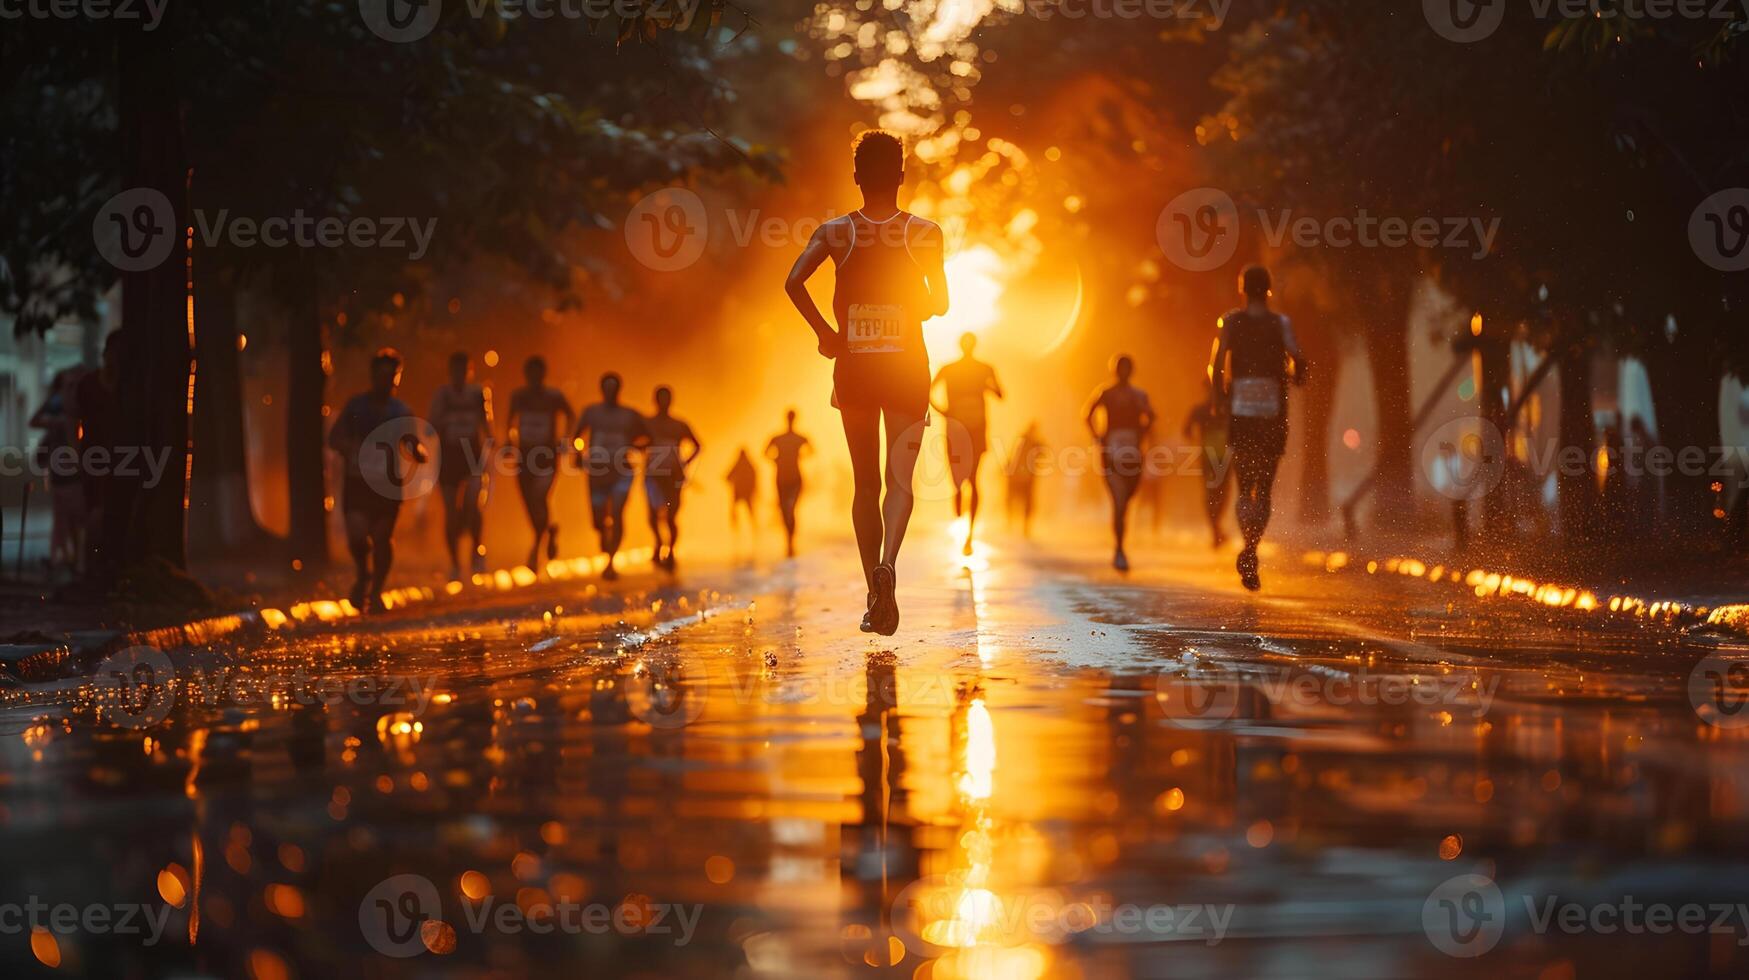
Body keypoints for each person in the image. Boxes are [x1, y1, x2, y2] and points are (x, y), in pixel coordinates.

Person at [784, 129, 949, 636]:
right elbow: (939, 303)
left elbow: (793, 282)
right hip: (906, 368)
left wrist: (827, 334)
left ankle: (872, 592)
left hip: (854, 365)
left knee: (865, 482)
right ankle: (890, 566)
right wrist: (906, 307)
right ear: (901, 176)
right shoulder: (925, 232)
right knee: (899, 480)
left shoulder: (836, 232)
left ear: (856, 177)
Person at [1209, 264, 1307, 591]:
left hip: (1241, 410)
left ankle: (1247, 545)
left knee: (1243, 484)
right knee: (1264, 487)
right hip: (1272, 411)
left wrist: (1219, 399)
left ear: (1242, 288)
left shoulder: (1230, 322)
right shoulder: (1281, 324)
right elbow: (1298, 358)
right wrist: (1297, 376)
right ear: (1268, 290)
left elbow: (1217, 363)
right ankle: (1251, 548)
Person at [328, 348, 426, 613]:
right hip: (357, 482)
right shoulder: (355, 406)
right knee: (358, 537)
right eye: (381, 375)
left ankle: (377, 592)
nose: (386, 381)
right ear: (372, 376)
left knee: (383, 537)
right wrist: (349, 447)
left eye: (392, 376)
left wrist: (418, 452)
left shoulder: (401, 411)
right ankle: (363, 574)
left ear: (398, 378)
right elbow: (334, 438)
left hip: (387, 486)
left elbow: (413, 441)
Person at [932, 332, 1004, 556]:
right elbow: (928, 391)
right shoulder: (948, 368)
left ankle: (969, 535)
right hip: (955, 427)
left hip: (976, 429)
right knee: (959, 476)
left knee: (973, 478)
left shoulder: (986, 369)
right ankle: (956, 491)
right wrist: (943, 411)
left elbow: (1001, 394)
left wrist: (988, 386)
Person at [572, 371, 648, 581]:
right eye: (607, 388)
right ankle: (604, 537)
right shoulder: (591, 412)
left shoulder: (630, 414)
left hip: (621, 471)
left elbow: (648, 435)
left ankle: (611, 561)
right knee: (598, 521)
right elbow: (576, 436)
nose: (610, 393)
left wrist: (635, 445)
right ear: (601, 390)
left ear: (619, 390)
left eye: (613, 389)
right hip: (597, 470)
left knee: (616, 511)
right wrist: (578, 455)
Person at [1086, 356, 1155, 572]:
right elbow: (1087, 414)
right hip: (1111, 455)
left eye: (1127, 368)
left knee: (1127, 501)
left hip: (1133, 455)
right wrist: (1097, 436)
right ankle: (1119, 549)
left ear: (1132, 371)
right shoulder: (1106, 393)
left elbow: (1152, 416)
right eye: (1120, 368)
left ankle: (1120, 546)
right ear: (1114, 371)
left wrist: (1142, 434)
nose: (1123, 372)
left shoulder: (1139, 395)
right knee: (1119, 501)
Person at [428, 351, 493, 580]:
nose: (459, 375)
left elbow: (487, 425)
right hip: (449, 457)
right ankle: (455, 563)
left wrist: (493, 448)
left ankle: (477, 550)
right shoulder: (442, 395)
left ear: (470, 371)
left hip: (472, 456)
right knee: (451, 512)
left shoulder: (478, 393)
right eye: (455, 370)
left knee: (473, 505)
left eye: (463, 370)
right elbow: (432, 425)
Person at [506, 355, 574, 569]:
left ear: (543, 374)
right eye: (530, 374)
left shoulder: (554, 396)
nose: (534, 378)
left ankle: (536, 548)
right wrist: (509, 441)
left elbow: (572, 416)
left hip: (547, 455)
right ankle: (549, 530)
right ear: (526, 375)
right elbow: (510, 420)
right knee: (530, 503)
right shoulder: (518, 396)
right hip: (525, 455)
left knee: (539, 497)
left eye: (538, 373)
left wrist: (565, 440)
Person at [30, 368, 86, 574]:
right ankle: (67, 560)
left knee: (74, 520)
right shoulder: (61, 418)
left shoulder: (74, 416)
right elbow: (34, 421)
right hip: (61, 475)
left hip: (72, 475)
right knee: (65, 520)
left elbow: (75, 444)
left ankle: (71, 560)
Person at [643, 385, 701, 570]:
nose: (663, 402)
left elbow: (697, 445)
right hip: (653, 475)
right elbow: (634, 442)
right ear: (655, 400)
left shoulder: (679, 425)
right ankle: (659, 542)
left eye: (666, 398)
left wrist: (684, 463)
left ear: (671, 401)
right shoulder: (646, 424)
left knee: (671, 516)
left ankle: (671, 551)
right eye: (660, 398)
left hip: (674, 476)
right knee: (653, 515)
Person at [1182, 387, 1232, 549]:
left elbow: (1186, 431)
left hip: (1224, 458)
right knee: (1212, 494)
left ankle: (1216, 529)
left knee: (1222, 494)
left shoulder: (1228, 408)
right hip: (1208, 458)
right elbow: (1186, 430)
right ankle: (1215, 531)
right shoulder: (1201, 410)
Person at [765, 411, 812, 558]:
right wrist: (776, 459)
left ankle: (790, 540)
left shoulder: (789, 438)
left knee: (789, 508)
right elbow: (765, 453)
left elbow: (811, 450)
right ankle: (789, 539)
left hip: (792, 478)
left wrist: (777, 459)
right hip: (784, 477)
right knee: (786, 509)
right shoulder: (782, 438)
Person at [1005, 421, 1046, 538]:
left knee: (1019, 501)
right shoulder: (1030, 441)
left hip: (1023, 477)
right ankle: (1020, 527)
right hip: (1022, 477)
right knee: (1022, 501)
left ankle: (1020, 526)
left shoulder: (1026, 441)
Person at [726, 449, 758, 529]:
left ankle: (735, 526)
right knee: (748, 508)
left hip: (741, 490)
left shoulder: (739, 464)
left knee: (735, 508)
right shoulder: (749, 465)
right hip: (745, 490)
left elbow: (729, 475)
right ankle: (752, 525)